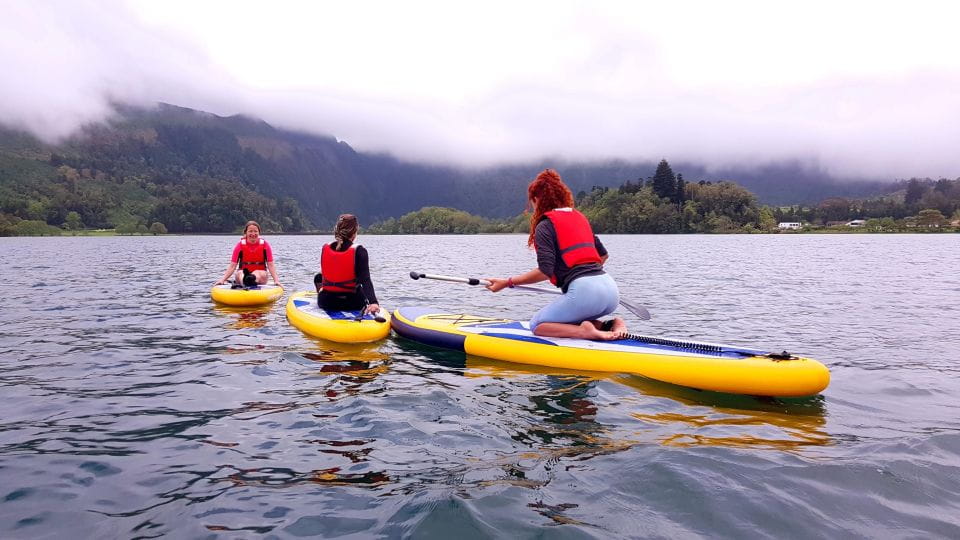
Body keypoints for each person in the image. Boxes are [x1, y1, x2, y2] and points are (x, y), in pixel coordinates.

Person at [485, 169, 626, 340]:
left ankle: (585, 332)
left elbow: (545, 271)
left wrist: (507, 282)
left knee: (537, 325)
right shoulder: (579, 218)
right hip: (610, 291)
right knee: (565, 318)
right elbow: (603, 255)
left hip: (585, 293)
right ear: (562, 196)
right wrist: (583, 278)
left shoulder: (545, 226)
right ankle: (609, 325)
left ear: (536, 199)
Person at [314, 214, 380, 315]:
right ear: (354, 232)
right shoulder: (360, 251)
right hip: (352, 303)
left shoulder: (325, 248)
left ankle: (321, 292)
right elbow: (365, 280)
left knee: (318, 277)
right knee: (359, 286)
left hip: (326, 302)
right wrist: (374, 303)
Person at [213, 221, 282, 288]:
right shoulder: (240, 245)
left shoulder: (265, 245)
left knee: (257, 273)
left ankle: (251, 279)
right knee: (240, 273)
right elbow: (232, 265)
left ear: (259, 232)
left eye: (255, 231)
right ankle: (245, 280)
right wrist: (223, 280)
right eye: (250, 231)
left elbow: (271, 265)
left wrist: (276, 280)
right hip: (243, 272)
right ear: (246, 232)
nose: (253, 233)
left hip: (261, 273)